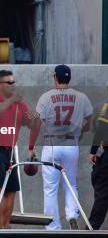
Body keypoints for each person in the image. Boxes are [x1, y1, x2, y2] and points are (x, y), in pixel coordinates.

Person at [33, 65, 94, 230]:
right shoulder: (81, 97)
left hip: (52, 144)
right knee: (71, 184)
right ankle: (72, 215)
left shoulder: (46, 97)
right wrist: (79, 132)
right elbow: (89, 123)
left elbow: (38, 122)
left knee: (50, 188)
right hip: (71, 144)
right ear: (69, 78)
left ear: (55, 77)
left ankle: (53, 226)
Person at [0, 70, 41, 229]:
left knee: (12, 189)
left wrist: (35, 120)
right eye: (9, 82)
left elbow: (31, 124)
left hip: (9, 151)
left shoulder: (19, 103)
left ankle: (5, 225)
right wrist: (11, 101)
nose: (13, 85)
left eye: (14, 82)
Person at [89, 92, 108, 230]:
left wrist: (93, 151)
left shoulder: (105, 107)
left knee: (102, 190)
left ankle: (93, 227)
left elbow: (101, 129)